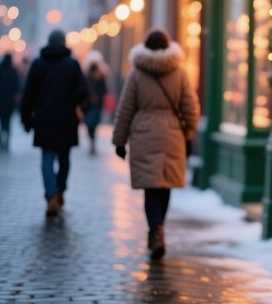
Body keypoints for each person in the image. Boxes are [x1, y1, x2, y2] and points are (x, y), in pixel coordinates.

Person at [112, 28, 199, 260]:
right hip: (172, 135)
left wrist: (119, 141)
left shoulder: (136, 74)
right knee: (165, 185)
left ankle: (155, 230)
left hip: (144, 134)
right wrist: (188, 133)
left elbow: (125, 109)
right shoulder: (179, 73)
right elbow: (191, 108)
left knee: (151, 188)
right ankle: (159, 229)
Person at [20, 30, 89, 217]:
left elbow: (28, 95)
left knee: (47, 158)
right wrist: (81, 106)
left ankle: (51, 195)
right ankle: (59, 191)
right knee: (64, 159)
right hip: (67, 120)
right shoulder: (72, 65)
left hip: (44, 120)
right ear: (64, 43)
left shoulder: (38, 64)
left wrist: (26, 119)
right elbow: (83, 93)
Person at [83, 52, 109, 154]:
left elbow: (104, 90)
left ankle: (92, 141)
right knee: (90, 124)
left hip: (95, 105)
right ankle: (92, 140)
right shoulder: (86, 76)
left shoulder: (101, 76)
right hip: (90, 104)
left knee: (92, 124)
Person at [0, 53, 20, 152]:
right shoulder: (13, 71)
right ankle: (6, 142)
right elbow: (17, 86)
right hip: (10, 102)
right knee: (7, 122)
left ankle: (0, 138)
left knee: (2, 122)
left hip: (0, 101)